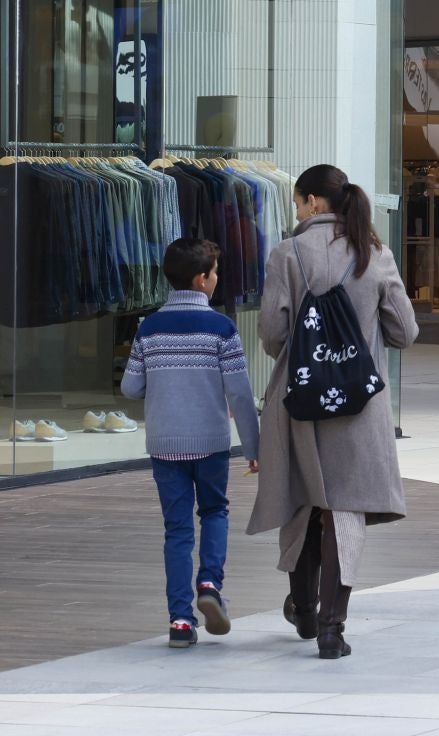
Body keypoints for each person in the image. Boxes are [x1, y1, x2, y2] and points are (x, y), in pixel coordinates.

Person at [247, 165, 418, 661]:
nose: (297, 211)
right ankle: (331, 629)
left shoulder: (287, 253)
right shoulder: (376, 253)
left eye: (299, 202)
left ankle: (301, 607)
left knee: (305, 502)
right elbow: (404, 332)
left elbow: (274, 334)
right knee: (344, 511)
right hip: (360, 405)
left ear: (315, 203)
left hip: (299, 401)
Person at [122, 238, 261, 648]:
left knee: (177, 530)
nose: (217, 279)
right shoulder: (222, 328)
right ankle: (210, 584)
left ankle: (180, 621)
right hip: (211, 442)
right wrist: (253, 449)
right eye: (215, 272)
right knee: (215, 511)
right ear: (202, 279)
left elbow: (131, 387)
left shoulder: (149, 327)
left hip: (165, 445)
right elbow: (239, 394)